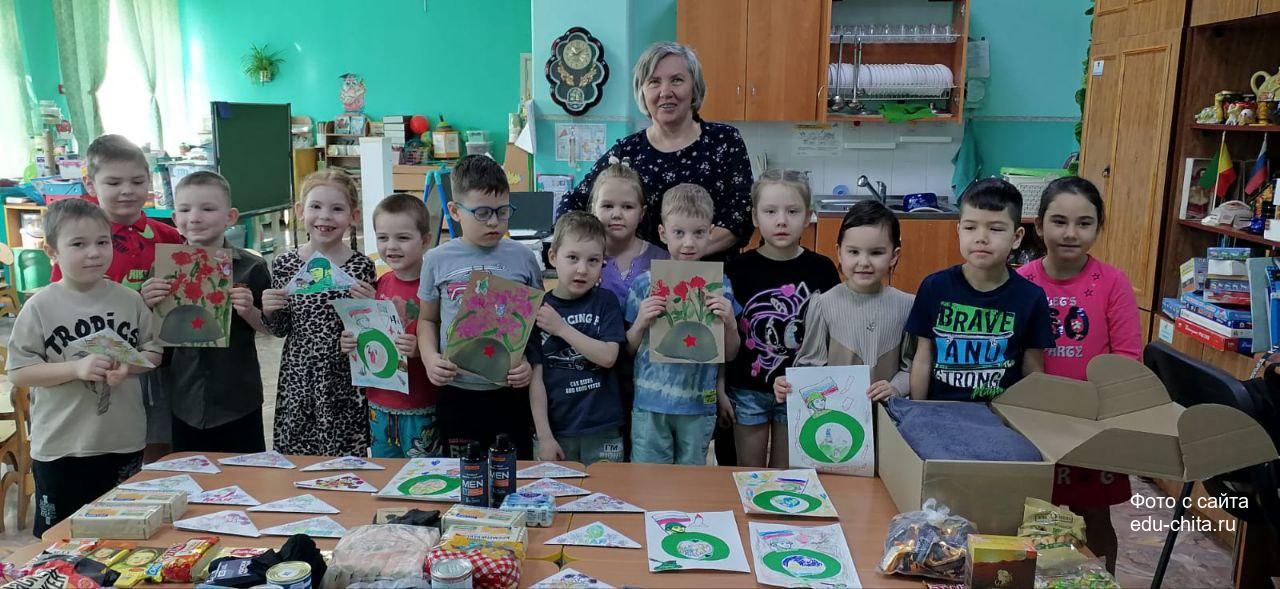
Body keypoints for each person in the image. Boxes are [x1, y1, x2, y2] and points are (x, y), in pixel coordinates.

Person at [7, 198, 163, 537]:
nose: (94, 253)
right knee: (61, 539)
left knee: (122, 535)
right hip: (62, 447)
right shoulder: (40, 307)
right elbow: (19, 371)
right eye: (78, 244)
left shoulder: (130, 300)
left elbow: (153, 352)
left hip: (123, 440)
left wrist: (129, 366)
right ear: (52, 251)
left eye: (102, 242)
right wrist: (76, 369)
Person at [1017, 176, 1141, 573]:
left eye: (1084, 223)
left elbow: (1127, 359)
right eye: (1059, 221)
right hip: (1033, 425)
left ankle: (1101, 580)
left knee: (1095, 518)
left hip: (1093, 427)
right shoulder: (1021, 282)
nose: (1071, 233)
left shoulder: (1113, 283)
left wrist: (1103, 413)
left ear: (1098, 228)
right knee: (1034, 518)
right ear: (1039, 226)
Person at [50, 135, 183, 462]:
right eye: (113, 182)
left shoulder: (169, 238)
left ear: (149, 182)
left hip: (159, 359)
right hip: (98, 364)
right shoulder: (78, 243)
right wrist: (137, 299)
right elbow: (61, 302)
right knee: (110, 445)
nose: (127, 190)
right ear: (90, 184)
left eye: (137, 181)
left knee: (161, 444)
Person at [556, 42, 754, 260]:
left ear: (694, 87)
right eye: (654, 82)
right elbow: (573, 203)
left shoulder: (724, 141)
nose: (665, 92)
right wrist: (587, 253)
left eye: (677, 80)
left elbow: (742, 215)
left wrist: (684, 252)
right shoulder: (626, 152)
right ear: (642, 92)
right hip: (639, 276)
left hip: (713, 275)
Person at [418, 155, 543, 459]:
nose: (494, 222)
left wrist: (528, 363)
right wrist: (430, 358)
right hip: (457, 390)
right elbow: (427, 320)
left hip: (509, 393)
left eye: (503, 211)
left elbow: (534, 323)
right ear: (455, 211)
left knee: (512, 472)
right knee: (462, 475)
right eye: (483, 213)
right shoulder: (436, 259)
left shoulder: (524, 258)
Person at [142, 171, 272, 454]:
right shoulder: (162, 269)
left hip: (238, 398)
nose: (195, 218)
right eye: (185, 210)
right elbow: (149, 330)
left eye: (208, 209)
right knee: (191, 470)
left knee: (246, 471)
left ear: (230, 216)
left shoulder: (251, 267)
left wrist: (249, 310)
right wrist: (146, 301)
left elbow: (270, 327)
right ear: (175, 218)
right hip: (184, 397)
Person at [726, 170, 840, 467]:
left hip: (800, 390)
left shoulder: (822, 269)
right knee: (748, 473)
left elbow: (833, 331)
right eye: (770, 211)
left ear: (808, 216)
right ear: (755, 217)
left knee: (787, 477)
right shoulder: (737, 269)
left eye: (792, 211)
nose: (781, 221)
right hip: (747, 389)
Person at [906, 178, 1056, 401]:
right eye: (970, 227)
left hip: (1001, 414)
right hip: (941, 412)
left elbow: (1033, 370)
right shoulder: (934, 287)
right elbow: (923, 358)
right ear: (959, 230)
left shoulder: (1031, 297)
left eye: (995, 229)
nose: (981, 238)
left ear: (1016, 237)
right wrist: (917, 411)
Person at [261, 169, 377, 456]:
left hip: (344, 378)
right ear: (300, 212)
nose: (325, 216)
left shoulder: (361, 267)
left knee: (345, 458)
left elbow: (371, 330)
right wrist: (269, 310)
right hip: (298, 375)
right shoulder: (284, 264)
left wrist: (373, 306)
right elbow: (280, 329)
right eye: (316, 206)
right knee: (296, 455)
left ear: (353, 216)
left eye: (337, 209)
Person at [625, 184, 741, 465]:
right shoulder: (643, 284)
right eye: (679, 233)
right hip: (651, 403)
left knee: (692, 481)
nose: (688, 243)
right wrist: (640, 322)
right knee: (649, 479)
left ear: (710, 233)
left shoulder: (721, 285)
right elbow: (626, 350)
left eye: (698, 233)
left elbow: (730, 353)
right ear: (663, 233)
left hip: (698, 405)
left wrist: (730, 323)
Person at [773, 202, 915, 411]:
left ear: (894, 255)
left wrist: (896, 388)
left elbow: (912, 368)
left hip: (890, 417)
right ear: (839, 253)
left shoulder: (908, 305)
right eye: (854, 252)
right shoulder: (823, 305)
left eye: (876, 252)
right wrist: (788, 385)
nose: (864, 262)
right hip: (837, 419)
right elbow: (810, 370)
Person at [340, 193, 439, 458]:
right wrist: (351, 341)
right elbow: (370, 335)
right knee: (385, 470)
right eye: (382, 238)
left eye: (403, 238)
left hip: (421, 403)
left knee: (423, 472)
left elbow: (445, 339)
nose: (391, 246)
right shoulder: (380, 284)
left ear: (425, 240)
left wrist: (422, 349)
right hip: (379, 403)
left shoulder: (433, 288)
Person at [528, 212, 626, 464]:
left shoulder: (606, 302)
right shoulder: (538, 309)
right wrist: (544, 436)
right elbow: (536, 381)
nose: (582, 269)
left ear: (603, 262)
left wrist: (561, 328)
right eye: (572, 258)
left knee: (608, 488)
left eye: (593, 260)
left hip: (602, 428)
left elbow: (608, 356)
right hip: (557, 431)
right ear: (552, 257)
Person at [591, 157, 669, 308]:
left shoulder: (662, 260)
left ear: (642, 213)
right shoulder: (582, 260)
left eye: (627, 207)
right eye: (607, 206)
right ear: (595, 209)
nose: (617, 214)